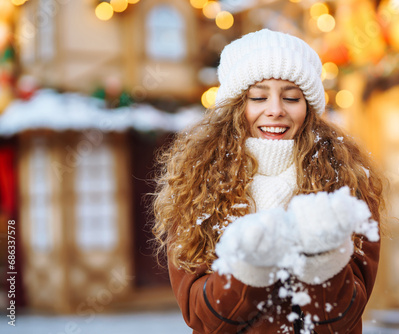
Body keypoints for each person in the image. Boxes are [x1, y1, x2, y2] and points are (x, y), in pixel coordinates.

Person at [153, 29, 385, 334]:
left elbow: (345, 318)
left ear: (308, 107)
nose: (275, 110)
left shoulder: (345, 181)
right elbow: (201, 316)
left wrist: (323, 259)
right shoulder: (198, 184)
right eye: (258, 97)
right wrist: (248, 270)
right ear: (236, 106)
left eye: (291, 97)